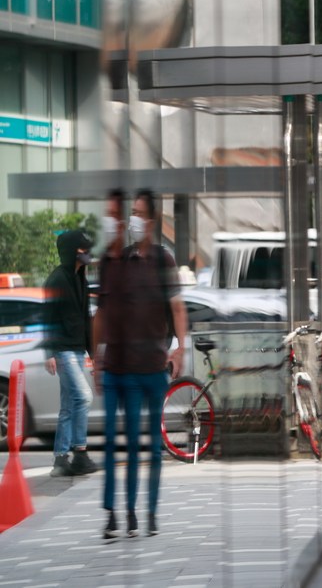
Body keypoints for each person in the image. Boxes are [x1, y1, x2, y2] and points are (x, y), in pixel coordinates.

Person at [93, 189, 188, 538]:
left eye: (137, 213)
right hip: (124, 368)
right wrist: (97, 358)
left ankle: (148, 511)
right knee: (129, 443)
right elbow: (103, 313)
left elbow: (178, 307)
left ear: (151, 221)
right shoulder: (120, 261)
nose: (131, 220)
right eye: (129, 212)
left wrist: (180, 348)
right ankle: (124, 512)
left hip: (153, 367)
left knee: (153, 446)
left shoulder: (163, 261)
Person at [43, 229, 99, 477]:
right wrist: (49, 352)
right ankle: (80, 452)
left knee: (68, 405)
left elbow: (86, 320)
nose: (86, 253)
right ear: (70, 252)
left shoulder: (81, 280)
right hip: (62, 350)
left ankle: (60, 460)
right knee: (84, 396)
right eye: (82, 249)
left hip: (76, 350)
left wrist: (93, 354)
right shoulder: (56, 280)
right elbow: (48, 318)